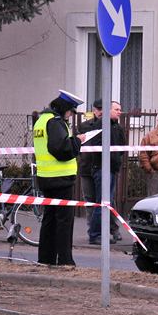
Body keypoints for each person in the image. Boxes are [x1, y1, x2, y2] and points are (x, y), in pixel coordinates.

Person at [33, 89, 87, 266]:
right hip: (61, 178)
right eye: (71, 111)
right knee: (64, 221)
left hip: (46, 178)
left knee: (49, 219)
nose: (70, 115)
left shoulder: (42, 120)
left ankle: (46, 258)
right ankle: (65, 260)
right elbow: (61, 150)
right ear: (65, 108)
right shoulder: (55, 122)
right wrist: (78, 141)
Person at [88, 101, 126, 244]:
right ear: (108, 110)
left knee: (106, 203)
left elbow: (122, 146)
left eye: (120, 110)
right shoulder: (101, 125)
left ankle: (102, 233)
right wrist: (110, 158)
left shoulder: (116, 127)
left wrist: (115, 158)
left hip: (112, 168)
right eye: (116, 109)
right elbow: (96, 146)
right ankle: (95, 234)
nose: (119, 112)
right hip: (102, 169)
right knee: (102, 203)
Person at [77, 99, 103, 230]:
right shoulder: (84, 126)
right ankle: (91, 229)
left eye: (103, 109)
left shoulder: (111, 126)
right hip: (86, 167)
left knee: (106, 200)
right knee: (89, 200)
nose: (101, 111)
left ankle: (113, 229)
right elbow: (77, 144)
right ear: (94, 110)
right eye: (98, 109)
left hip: (102, 168)